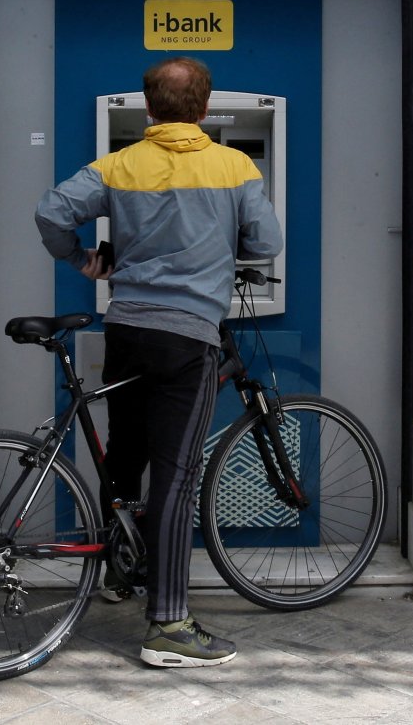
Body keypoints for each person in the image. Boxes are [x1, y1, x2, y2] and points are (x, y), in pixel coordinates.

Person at [35, 56, 282, 668]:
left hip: (126, 330)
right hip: (188, 336)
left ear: (148, 109)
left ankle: (122, 568)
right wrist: (227, 249)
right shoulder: (235, 165)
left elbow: (51, 212)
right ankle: (168, 623)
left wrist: (85, 260)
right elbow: (267, 243)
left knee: (126, 450)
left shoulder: (118, 165)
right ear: (203, 109)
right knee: (175, 474)